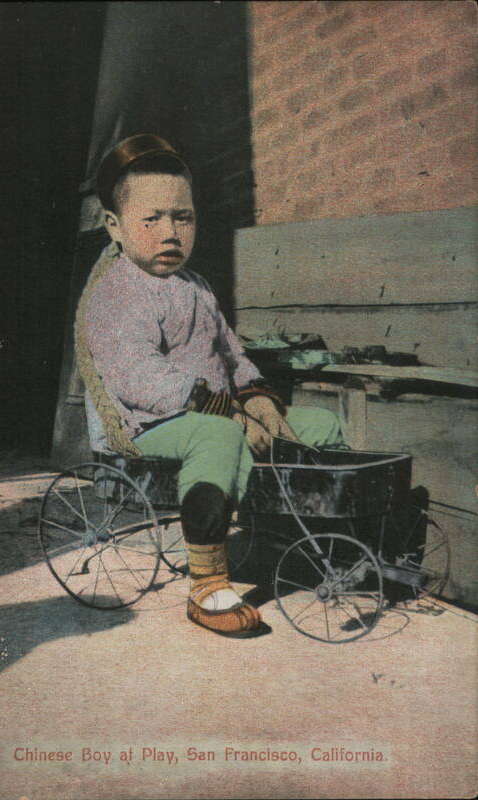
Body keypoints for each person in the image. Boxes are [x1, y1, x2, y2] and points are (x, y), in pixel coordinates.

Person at [76, 134, 346, 638]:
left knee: (320, 424)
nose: (170, 232)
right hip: (148, 425)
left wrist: (261, 402)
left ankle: (307, 542)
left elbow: (232, 355)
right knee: (216, 437)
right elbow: (140, 380)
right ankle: (207, 584)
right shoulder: (116, 294)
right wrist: (228, 412)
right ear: (115, 226)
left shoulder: (196, 287)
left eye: (183, 217)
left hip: (220, 411)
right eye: (151, 219)